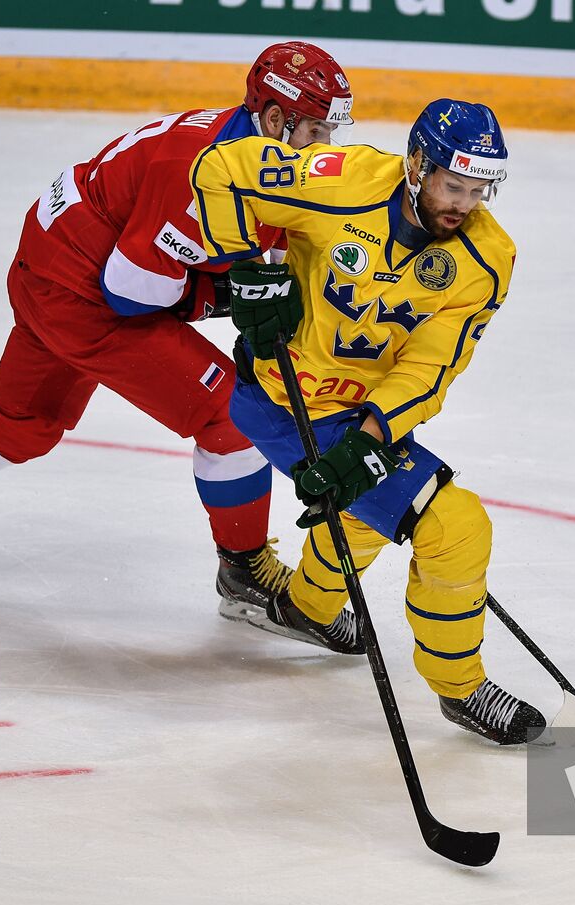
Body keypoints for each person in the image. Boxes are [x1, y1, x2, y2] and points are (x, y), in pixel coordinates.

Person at [0, 41, 356, 628]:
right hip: (87, 295)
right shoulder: (201, 178)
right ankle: (244, 575)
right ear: (274, 119)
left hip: (52, 267)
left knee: (19, 424)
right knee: (234, 417)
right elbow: (132, 293)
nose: (326, 146)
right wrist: (226, 296)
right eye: (316, 129)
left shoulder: (243, 147)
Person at [189, 99, 547, 745]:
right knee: (456, 527)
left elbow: (429, 368)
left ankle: (308, 606)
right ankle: (461, 687)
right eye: (452, 185)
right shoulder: (342, 180)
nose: (463, 203)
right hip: (279, 396)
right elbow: (223, 168)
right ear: (417, 164)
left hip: (357, 413)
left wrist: (371, 440)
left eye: (477, 190)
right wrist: (245, 268)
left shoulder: (486, 259)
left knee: (364, 498)